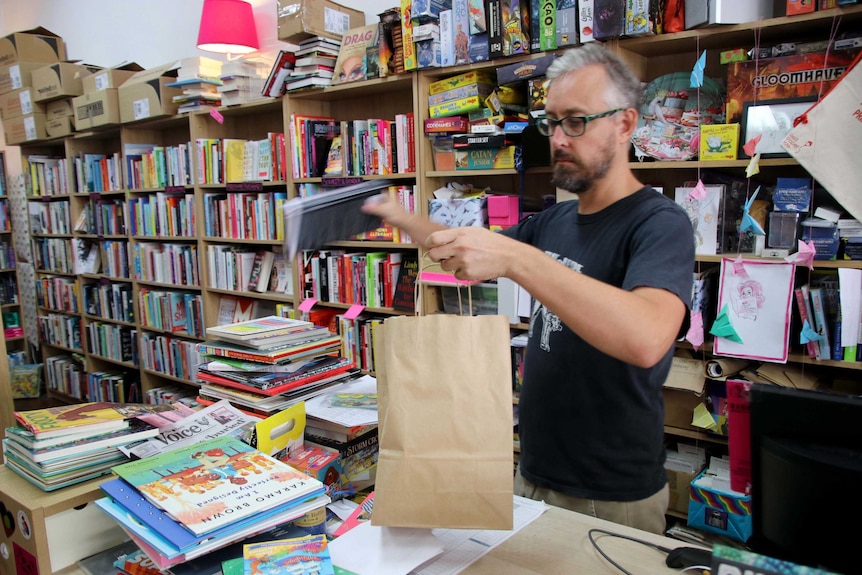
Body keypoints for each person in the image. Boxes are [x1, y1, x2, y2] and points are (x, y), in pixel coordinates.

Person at [361, 43, 695, 535]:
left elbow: (646, 338)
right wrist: (395, 213)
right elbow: (462, 254)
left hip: (610, 492)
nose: (558, 138)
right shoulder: (554, 220)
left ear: (625, 124)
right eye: (551, 122)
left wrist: (518, 259)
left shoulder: (660, 223)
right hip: (531, 469)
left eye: (576, 121)